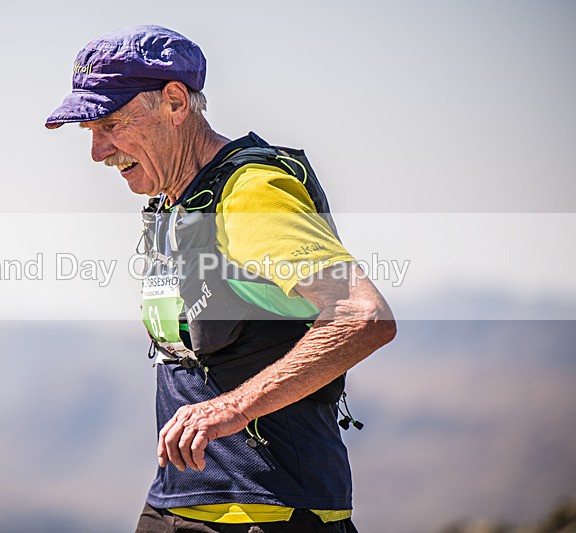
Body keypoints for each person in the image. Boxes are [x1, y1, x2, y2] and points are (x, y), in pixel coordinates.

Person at [46, 25, 396, 533]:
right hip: (178, 503)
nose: (99, 152)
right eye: (91, 133)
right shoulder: (177, 199)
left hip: (271, 512)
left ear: (174, 102)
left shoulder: (251, 193)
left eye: (112, 124)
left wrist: (231, 408)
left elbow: (363, 317)